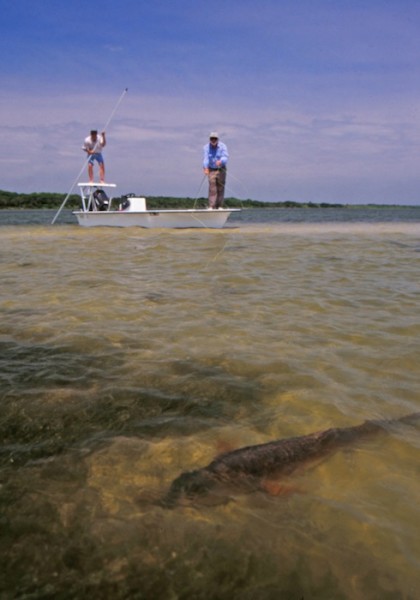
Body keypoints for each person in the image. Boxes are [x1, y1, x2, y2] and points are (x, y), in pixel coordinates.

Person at [203, 132, 229, 209]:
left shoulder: (223, 146)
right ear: (210, 139)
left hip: (221, 169)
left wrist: (221, 161)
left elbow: (225, 157)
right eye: (212, 138)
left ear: (217, 139)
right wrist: (205, 168)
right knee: (212, 188)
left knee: (220, 187)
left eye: (215, 139)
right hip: (211, 169)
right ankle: (211, 206)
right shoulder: (206, 147)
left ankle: (220, 206)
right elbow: (205, 159)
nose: (213, 140)